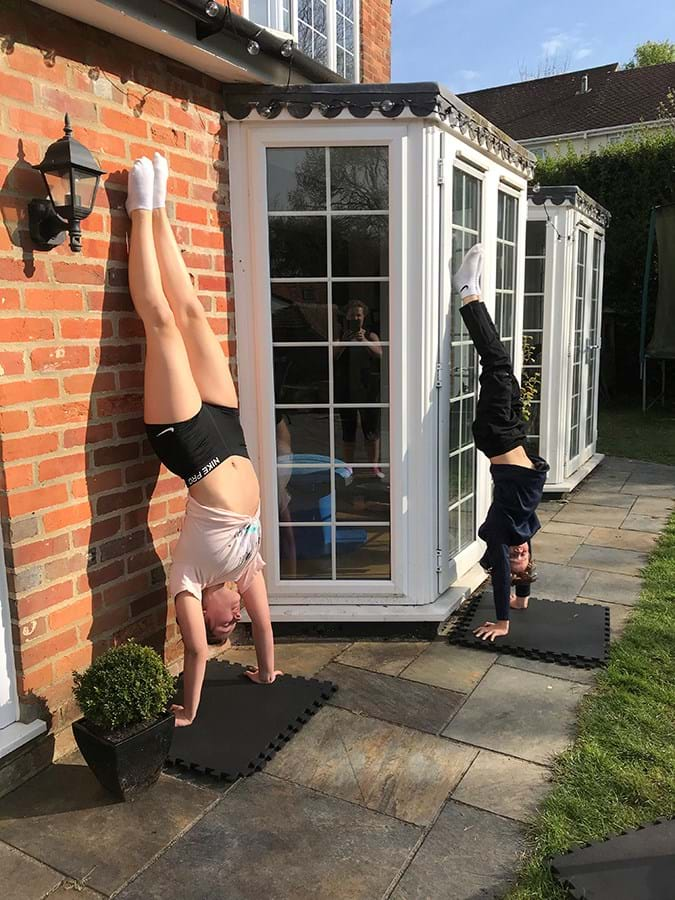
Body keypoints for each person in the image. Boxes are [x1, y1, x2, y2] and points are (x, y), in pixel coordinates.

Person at [125, 154, 281, 727]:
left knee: (162, 322)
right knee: (191, 310)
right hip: (230, 435)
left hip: (186, 445)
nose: (232, 616)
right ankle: (161, 206)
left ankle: (141, 212)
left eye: (223, 622)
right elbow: (265, 626)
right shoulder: (243, 570)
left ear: (203, 610)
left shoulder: (188, 582)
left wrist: (188, 711)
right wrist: (266, 671)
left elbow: (193, 652)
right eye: (230, 622)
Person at [452, 243, 549, 642]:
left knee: (496, 363)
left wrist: (504, 619)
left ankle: (466, 292)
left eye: (514, 561)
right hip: (514, 434)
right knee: (503, 366)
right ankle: (471, 293)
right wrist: (523, 598)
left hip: (496, 434)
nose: (519, 554)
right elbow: (523, 574)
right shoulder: (528, 528)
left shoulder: (498, 532)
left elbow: (501, 574)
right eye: (525, 558)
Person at [334, 301, 384, 479]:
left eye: (358, 315)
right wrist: (346, 341)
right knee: (348, 428)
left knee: (371, 429)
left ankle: (374, 467)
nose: (355, 318)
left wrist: (364, 341)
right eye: (352, 315)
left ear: (364, 317)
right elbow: (332, 354)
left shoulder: (371, 335)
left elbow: (379, 353)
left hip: (368, 388)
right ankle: (348, 468)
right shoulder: (341, 335)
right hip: (346, 388)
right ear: (346, 316)